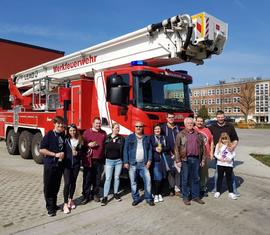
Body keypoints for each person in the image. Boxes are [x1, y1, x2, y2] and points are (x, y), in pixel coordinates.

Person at [175, 117, 206, 205]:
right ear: (185, 124)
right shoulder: (180, 134)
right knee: (185, 179)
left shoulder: (198, 134)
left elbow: (203, 148)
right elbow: (176, 148)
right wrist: (178, 160)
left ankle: (195, 196)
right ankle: (186, 197)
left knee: (196, 179)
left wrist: (203, 159)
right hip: (185, 160)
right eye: (188, 123)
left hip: (196, 159)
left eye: (191, 123)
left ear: (194, 124)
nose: (190, 124)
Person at [208, 110, 240, 196]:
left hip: (228, 155)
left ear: (224, 117)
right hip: (218, 155)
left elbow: (235, 139)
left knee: (231, 174)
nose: (220, 119)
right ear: (216, 117)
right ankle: (216, 189)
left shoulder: (230, 126)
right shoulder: (212, 127)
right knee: (217, 173)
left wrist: (233, 147)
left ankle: (233, 190)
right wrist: (211, 152)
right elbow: (207, 138)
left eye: (222, 117)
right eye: (218, 117)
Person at [123, 121, 154, 206]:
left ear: (142, 127)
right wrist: (125, 162)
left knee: (148, 181)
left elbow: (150, 150)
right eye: (137, 126)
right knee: (133, 182)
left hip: (144, 164)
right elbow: (125, 150)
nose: (138, 128)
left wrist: (149, 160)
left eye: (140, 126)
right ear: (134, 127)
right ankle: (136, 198)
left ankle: (148, 198)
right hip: (132, 163)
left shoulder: (146, 138)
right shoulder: (130, 137)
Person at [40, 116, 65, 216]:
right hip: (50, 164)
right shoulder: (49, 135)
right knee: (49, 186)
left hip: (59, 165)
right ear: (54, 124)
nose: (60, 125)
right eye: (58, 123)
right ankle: (50, 208)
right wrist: (55, 154)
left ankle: (54, 205)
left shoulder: (62, 135)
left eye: (61, 124)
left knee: (56, 186)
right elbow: (42, 150)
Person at [81, 117, 106, 204]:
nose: (98, 125)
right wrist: (88, 144)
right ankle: (86, 196)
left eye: (99, 123)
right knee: (87, 178)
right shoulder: (87, 132)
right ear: (93, 123)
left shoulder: (103, 133)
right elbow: (81, 144)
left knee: (97, 179)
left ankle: (95, 194)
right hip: (89, 160)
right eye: (97, 123)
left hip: (99, 160)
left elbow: (105, 146)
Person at [101, 123, 125, 206]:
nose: (117, 129)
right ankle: (105, 197)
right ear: (112, 128)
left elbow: (124, 150)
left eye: (118, 128)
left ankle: (116, 193)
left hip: (118, 161)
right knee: (108, 178)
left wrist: (124, 161)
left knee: (117, 178)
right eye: (116, 128)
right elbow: (103, 148)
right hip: (109, 161)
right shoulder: (107, 137)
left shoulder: (121, 138)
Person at [63, 124, 84, 214]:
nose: (72, 132)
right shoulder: (66, 140)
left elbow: (83, 151)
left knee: (73, 182)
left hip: (76, 165)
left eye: (74, 130)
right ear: (68, 131)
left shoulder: (80, 140)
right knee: (67, 183)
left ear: (76, 131)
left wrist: (78, 153)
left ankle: (70, 199)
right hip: (67, 165)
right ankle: (65, 204)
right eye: (70, 130)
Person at [150, 124, 171, 203]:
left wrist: (162, 149)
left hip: (164, 160)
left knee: (162, 178)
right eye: (156, 129)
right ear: (153, 130)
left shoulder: (164, 137)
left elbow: (168, 147)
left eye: (158, 129)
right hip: (156, 161)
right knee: (157, 178)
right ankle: (156, 194)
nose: (157, 130)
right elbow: (149, 147)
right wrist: (155, 149)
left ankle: (159, 194)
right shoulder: (151, 138)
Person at [161, 113, 181, 196]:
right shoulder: (163, 128)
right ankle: (171, 188)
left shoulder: (177, 127)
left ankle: (177, 189)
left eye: (173, 117)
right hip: (168, 153)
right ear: (166, 118)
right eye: (169, 117)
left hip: (177, 153)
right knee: (170, 171)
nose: (171, 119)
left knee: (178, 171)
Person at [194, 116, 214, 198]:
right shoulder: (193, 129)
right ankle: (195, 189)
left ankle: (203, 188)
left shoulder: (207, 130)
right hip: (195, 155)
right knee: (195, 173)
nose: (200, 122)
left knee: (204, 173)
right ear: (195, 121)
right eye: (198, 121)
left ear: (203, 122)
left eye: (201, 121)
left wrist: (212, 152)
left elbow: (211, 141)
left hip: (205, 156)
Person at [214, 133, 237, 200]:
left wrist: (229, 159)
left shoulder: (230, 145)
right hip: (220, 164)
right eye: (223, 139)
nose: (224, 140)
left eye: (225, 139)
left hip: (229, 164)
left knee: (229, 178)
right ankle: (218, 191)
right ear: (221, 139)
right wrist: (219, 158)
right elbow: (215, 154)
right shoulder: (219, 145)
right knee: (219, 178)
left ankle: (231, 192)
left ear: (228, 139)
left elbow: (234, 154)